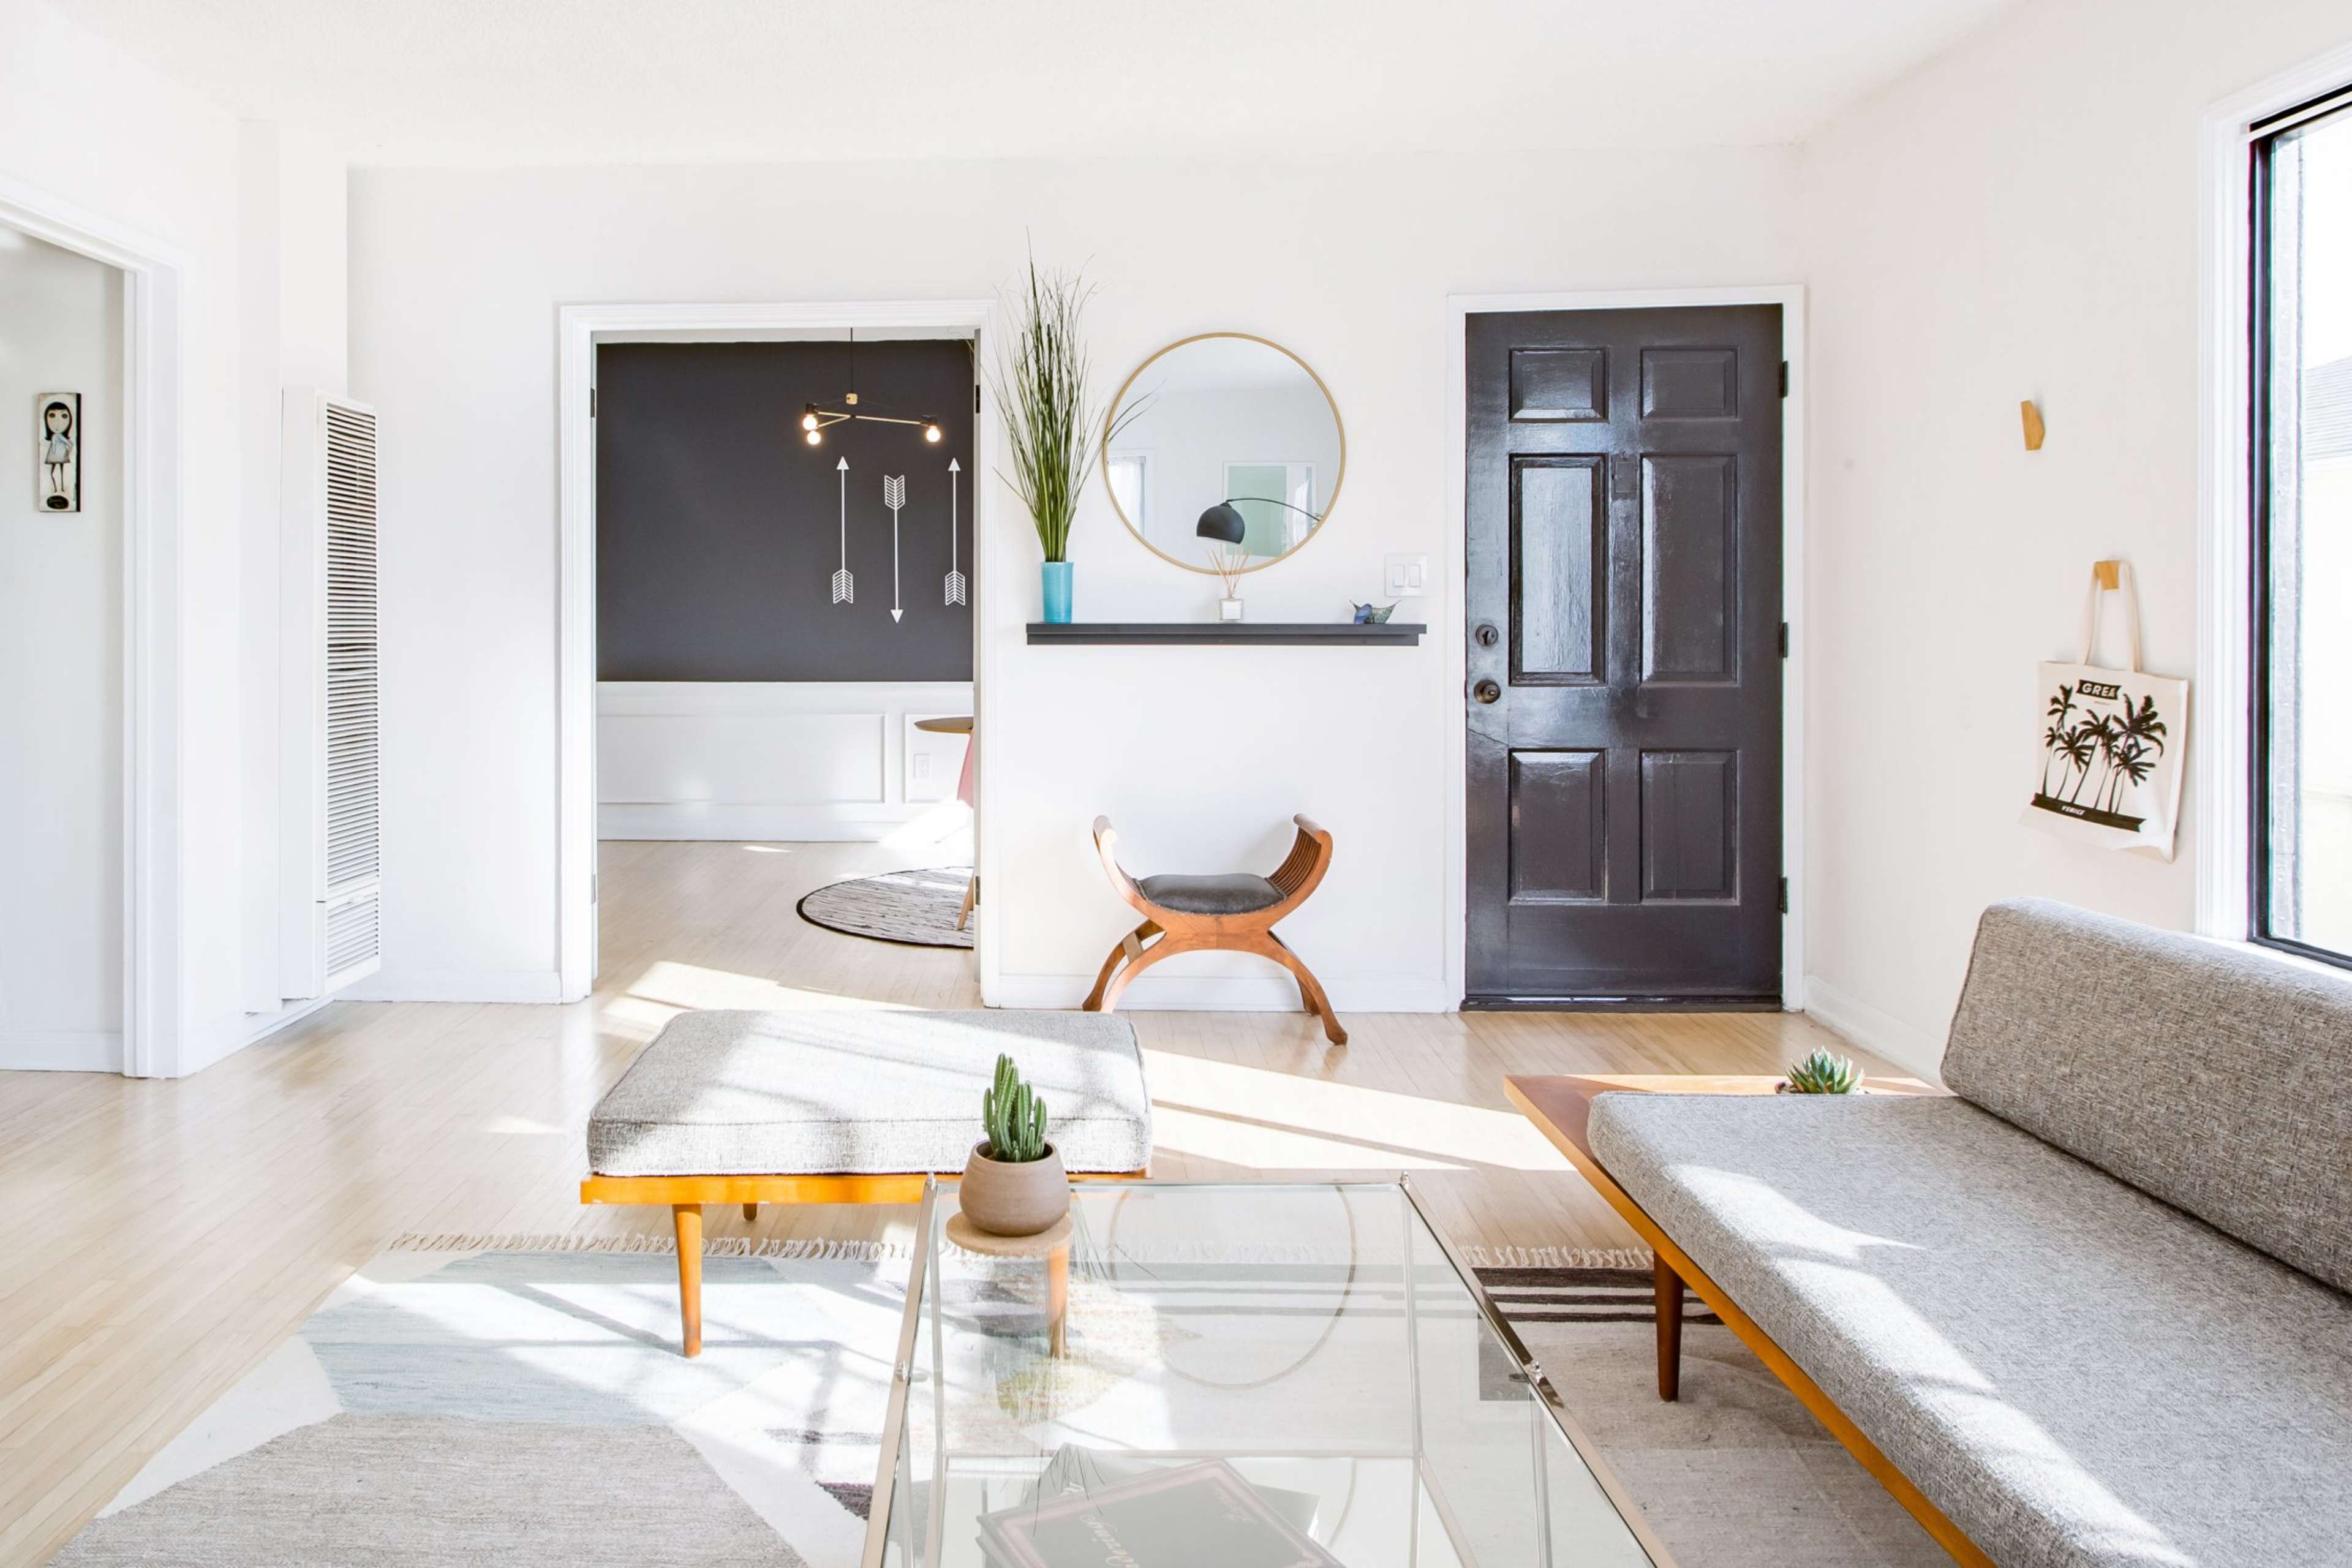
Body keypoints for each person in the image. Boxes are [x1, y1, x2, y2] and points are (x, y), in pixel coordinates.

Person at [41, 399, 75, 510]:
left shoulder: (57, 436)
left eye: (64, 416)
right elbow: (67, 444)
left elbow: (67, 444)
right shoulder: (56, 436)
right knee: (57, 472)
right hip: (59, 456)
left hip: (56, 456)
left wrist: (66, 451)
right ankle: (58, 489)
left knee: (56, 472)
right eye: (52, 416)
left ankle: (58, 489)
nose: (58, 423)